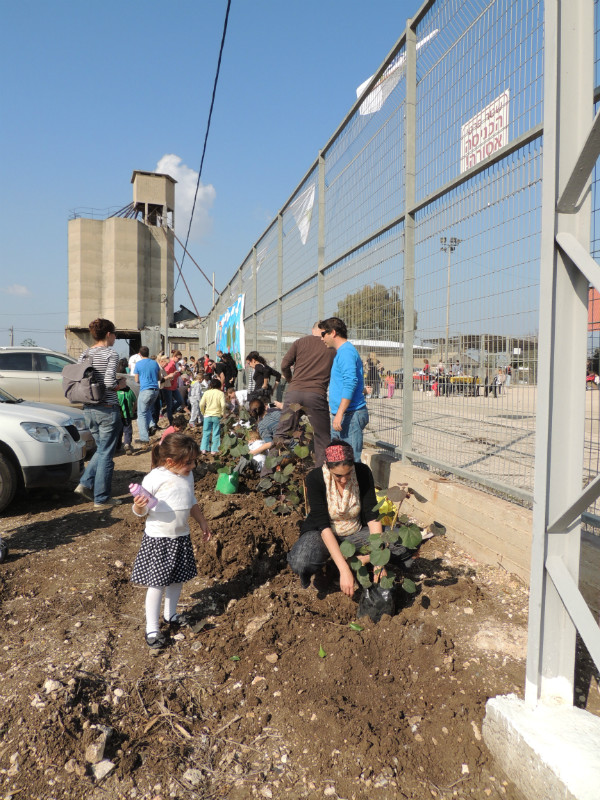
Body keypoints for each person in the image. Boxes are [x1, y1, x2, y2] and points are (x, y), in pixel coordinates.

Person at [287, 440, 412, 594]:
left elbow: (372, 516)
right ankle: (342, 564)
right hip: (323, 535)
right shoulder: (315, 478)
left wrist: (379, 558)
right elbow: (323, 526)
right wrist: (345, 570)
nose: (344, 480)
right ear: (327, 465)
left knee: (402, 540)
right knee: (300, 561)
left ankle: (354, 560)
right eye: (338, 476)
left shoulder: (362, 472)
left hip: (355, 532)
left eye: (348, 473)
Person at [130, 434, 212, 649]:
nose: (193, 466)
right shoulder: (155, 478)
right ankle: (152, 629)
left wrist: (202, 522)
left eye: (194, 461)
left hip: (181, 537)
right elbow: (141, 511)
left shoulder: (188, 475)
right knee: (156, 584)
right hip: (159, 540)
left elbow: (191, 501)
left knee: (177, 580)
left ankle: (171, 614)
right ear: (169, 462)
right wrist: (139, 506)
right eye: (188, 462)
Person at [73, 318, 123, 510]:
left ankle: (85, 483)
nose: (115, 338)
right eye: (115, 335)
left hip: (89, 409)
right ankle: (101, 498)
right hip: (107, 408)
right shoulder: (111, 353)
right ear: (109, 335)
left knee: (101, 450)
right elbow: (110, 381)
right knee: (106, 455)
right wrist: (121, 385)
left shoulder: (85, 354)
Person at [274, 323, 335, 467]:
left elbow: (284, 365)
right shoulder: (332, 348)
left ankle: (269, 473)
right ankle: (320, 475)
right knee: (322, 437)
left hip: (294, 393)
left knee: (282, 433)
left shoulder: (300, 342)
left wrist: (291, 380)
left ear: (313, 330)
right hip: (316, 394)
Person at [318, 317, 369, 462]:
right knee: (338, 461)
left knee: (350, 462)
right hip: (344, 415)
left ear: (332, 333)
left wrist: (340, 413)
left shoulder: (346, 352)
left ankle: (357, 485)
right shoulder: (342, 352)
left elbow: (350, 382)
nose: (322, 339)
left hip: (350, 415)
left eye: (323, 334)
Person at [133, 347, 161, 444]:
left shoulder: (138, 364)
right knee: (147, 409)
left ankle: (144, 438)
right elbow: (159, 377)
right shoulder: (154, 363)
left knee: (141, 414)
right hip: (156, 390)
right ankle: (152, 425)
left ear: (140, 354)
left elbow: (136, 380)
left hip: (145, 390)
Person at [200, 378, 227, 454]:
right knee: (216, 432)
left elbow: (201, 404)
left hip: (207, 415)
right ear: (219, 386)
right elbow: (223, 405)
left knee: (206, 432)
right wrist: (222, 413)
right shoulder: (221, 393)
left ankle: (204, 449)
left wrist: (203, 412)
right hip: (217, 415)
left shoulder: (206, 393)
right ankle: (214, 450)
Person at [117, 377, 137, 454]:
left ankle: (120, 446)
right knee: (127, 431)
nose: (126, 383)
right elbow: (135, 402)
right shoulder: (129, 391)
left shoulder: (116, 392)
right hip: (127, 415)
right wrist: (133, 410)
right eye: (124, 382)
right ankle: (126, 444)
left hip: (120, 415)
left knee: (120, 431)